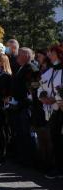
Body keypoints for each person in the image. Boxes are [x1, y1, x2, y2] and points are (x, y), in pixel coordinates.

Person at [38, 44, 63, 178]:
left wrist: (55, 99)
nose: (49, 56)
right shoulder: (51, 71)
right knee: (55, 138)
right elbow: (41, 86)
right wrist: (42, 96)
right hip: (56, 110)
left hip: (59, 107)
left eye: (52, 53)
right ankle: (58, 167)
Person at [10, 47, 37, 164]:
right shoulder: (22, 68)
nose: (17, 57)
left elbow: (34, 88)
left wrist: (24, 101)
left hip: (25, 106)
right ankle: (21, 157)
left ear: (26, 56)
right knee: (20, 132)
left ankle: (28, 159)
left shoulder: (31, 69)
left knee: (26, 133)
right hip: (18, 105)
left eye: (19, 55)